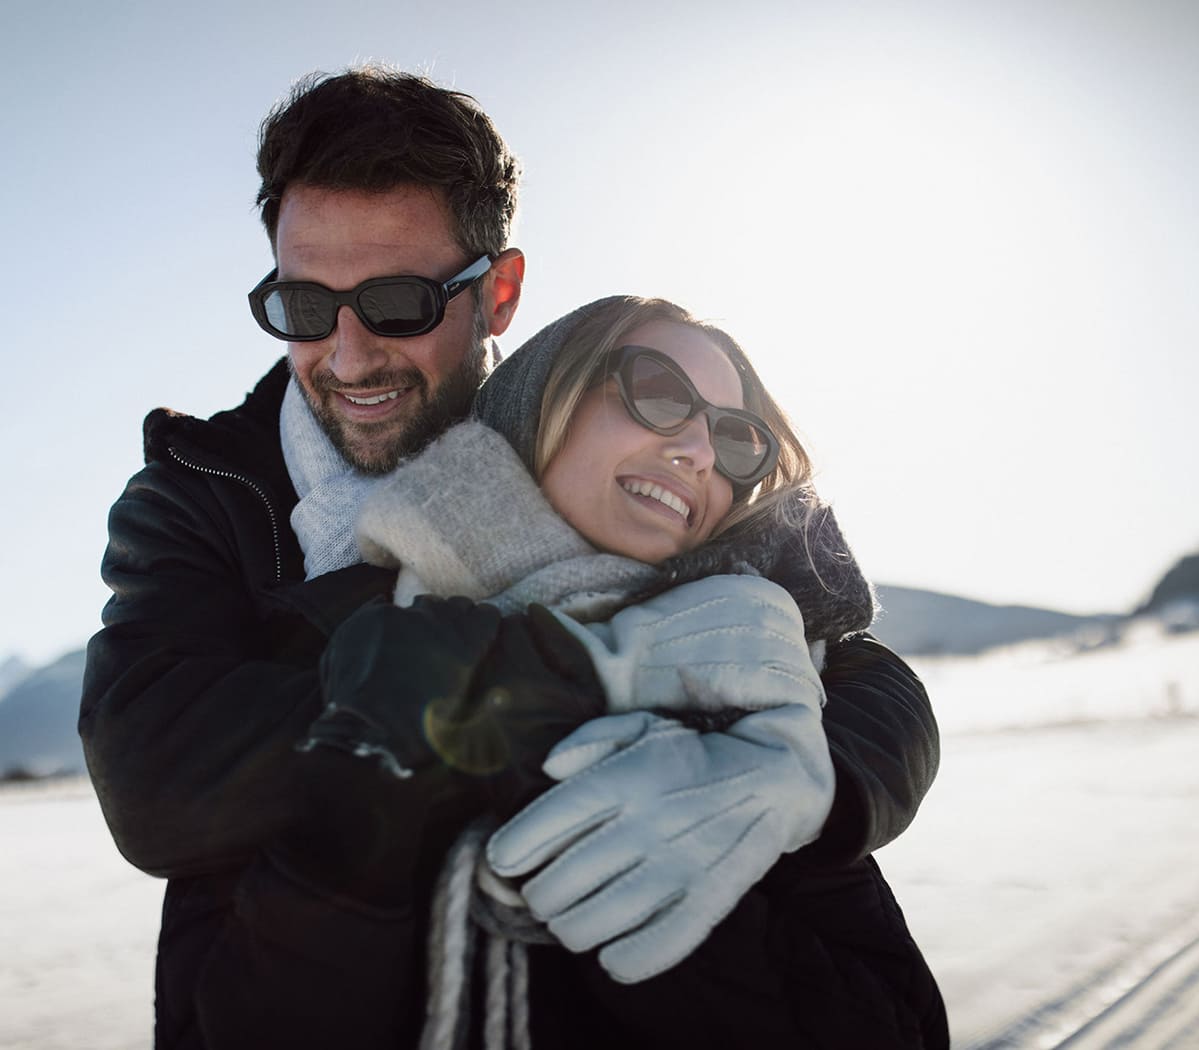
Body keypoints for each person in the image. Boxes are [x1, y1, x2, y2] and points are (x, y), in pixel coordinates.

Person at [78, 66, 942, 1049]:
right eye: (305, 306)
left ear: (497, 292)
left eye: (397, 303)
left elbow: (867, 681)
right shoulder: (207, 494)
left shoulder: (615, 433)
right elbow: (156, 780)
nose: (348, 357)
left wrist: (810, 791)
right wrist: (558, 672)